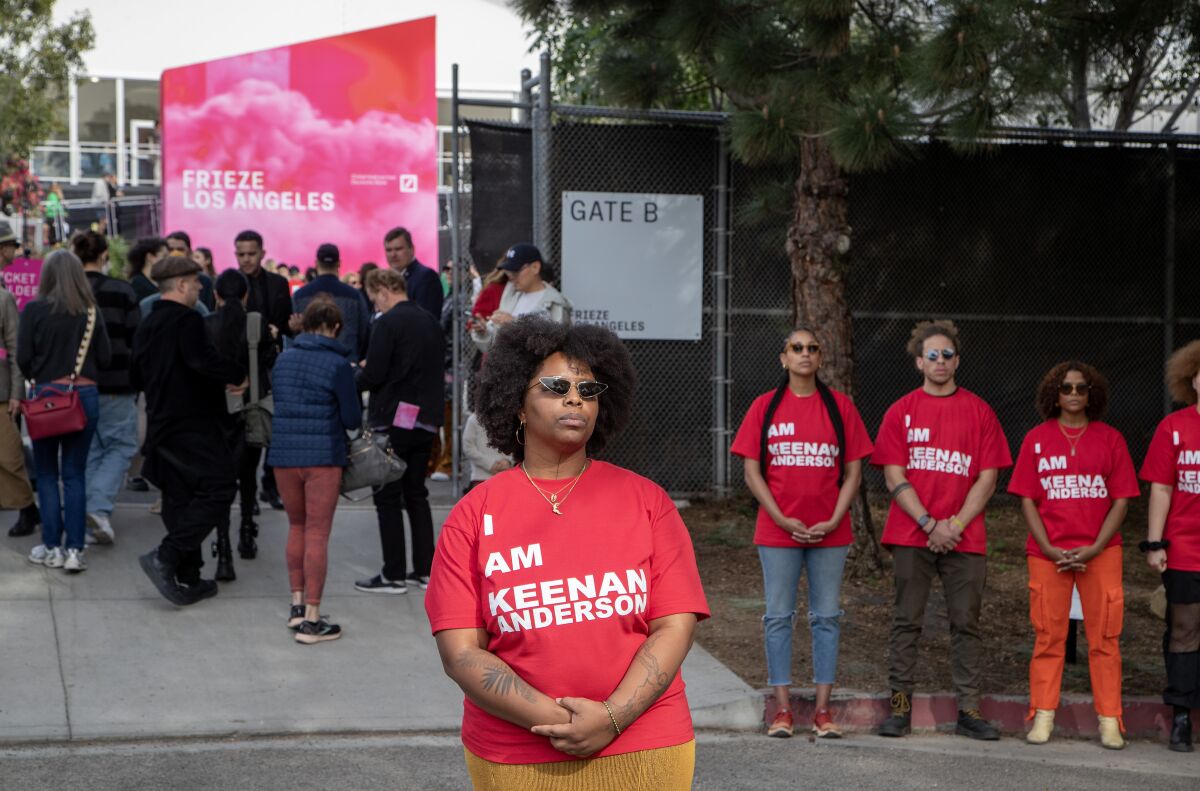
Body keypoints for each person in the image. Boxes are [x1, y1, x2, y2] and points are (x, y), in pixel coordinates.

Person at [426, 315, 708, 789]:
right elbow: (460, 654)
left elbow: (674, 625)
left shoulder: (648, 502)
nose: (574, 398)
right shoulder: (473, 516)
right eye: (555, 386)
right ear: (517, 403)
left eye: (589, 389)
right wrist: (569, 724)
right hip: (517, 756)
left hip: (647, 745)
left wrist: (613, 717)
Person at [730, 327, 873, 739]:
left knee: (826, 617)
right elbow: (752, 472)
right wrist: (780, 516)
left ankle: (823, 712)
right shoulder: (764, 407)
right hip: (777, 533)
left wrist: (833, 518)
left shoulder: (840, 407)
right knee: (778, 617)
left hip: (831, 532)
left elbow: (854, 473)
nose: (805, 354)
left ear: (821, 358)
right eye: (797, 348)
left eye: (812, 348)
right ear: (784, 358)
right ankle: (783, 711)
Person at [871, 320, 1011, 741]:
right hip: (913, 534)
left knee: (966, 623)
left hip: (964, 536)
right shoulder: (901, 411)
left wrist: (955, 525)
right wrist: (929, 524)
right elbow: (894, 475)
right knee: (906, 622)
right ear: (918, 362)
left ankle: (969, 711)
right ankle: (899, 710)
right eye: (932, 355)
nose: (940, 362)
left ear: (957, 361)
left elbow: (987, 479)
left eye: (947, 355)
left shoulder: (980, 411)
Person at [1008, 362, 1137, 750]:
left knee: (1105, 638)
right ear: (1055, 393)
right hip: (1049, 554)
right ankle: (1042, 716)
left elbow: (1122, 501)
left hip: (1100, 553)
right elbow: (1027, 499)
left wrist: (1095, 546)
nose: (1074, 394)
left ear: (1092, 393)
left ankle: (1110, 720)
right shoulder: (1036, 438)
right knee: (1049, 636)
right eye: (1066, 388)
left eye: (1082, 388)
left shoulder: (1111, 439)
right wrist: (1048, 546)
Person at [132, 255, 247, 606]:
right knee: (220, 487)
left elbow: (135, 375)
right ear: (181, 285)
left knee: (180, 496)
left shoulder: (148, 323)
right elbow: (201, 360)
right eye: (196, 282)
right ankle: (167, 556)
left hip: (161, 423)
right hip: (191, 424)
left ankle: (189, 574)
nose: (200, 287)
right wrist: (237, 373)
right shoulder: (188, 320)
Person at [268, 298, 362, 644]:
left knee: (296, 526)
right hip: (323, 455)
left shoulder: (283, 359)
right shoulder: (337, 364)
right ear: (336, 327)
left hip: (284, 454)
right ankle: (312, 617)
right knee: (318, 534)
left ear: (305, 324)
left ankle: (295, 605)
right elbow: (352, 418)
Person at [19, 250, 111, 573]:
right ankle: (74, 549)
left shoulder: (32, 310)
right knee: (74, 474)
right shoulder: (90, 312)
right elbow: (106, 357)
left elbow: (23, 356)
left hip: (46, 396)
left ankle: (51, 545)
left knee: (46, 473)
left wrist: (41, 376)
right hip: (83, 396)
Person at [355, 268, 444, 594]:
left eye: (372, 295)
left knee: (388, 498)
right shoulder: (429, 321)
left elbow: (374, 374)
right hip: (424, 420)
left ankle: (393, 573)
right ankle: (424, 570)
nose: (373, 303)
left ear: (382, 290)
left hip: (393, 419)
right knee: (416, 495)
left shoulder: (387, 323)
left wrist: (355, 376)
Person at [1140, 339, 1200, 753]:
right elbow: (1161, 488)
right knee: (1183, 628)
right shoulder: (1174, 427)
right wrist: (1155, 542)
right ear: (1192, 379)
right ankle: (1181, 715)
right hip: (1186, 546)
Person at [204, 269, 277, 578]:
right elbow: (269, 363)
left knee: (221, 482)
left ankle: (223, 551)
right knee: (248, 476)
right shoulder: (257, 323)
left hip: (216, 414)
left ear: (216, 296)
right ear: (246, 295)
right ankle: (247, 532)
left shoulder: (206, 325)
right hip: (251, 410)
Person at [76, 230, 141, 546]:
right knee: (120, 447)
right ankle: (98, 509)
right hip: (117, 384)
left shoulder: (69, 293)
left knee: (89, 452)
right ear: (104, 256)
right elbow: (136, 340)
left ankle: (88, 519)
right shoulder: (122, 290)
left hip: (77, 387)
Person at [235, 230, 294, 511]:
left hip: (272, 366)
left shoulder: (279, 284)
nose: (246, 259)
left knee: (274, 425)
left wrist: (277, 331)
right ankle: (249, 489)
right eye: (241, 254)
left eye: (251, 253)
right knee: (245, 429)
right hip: (241, 368)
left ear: (262, 253)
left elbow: (285, 322)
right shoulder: (231, 284)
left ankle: (269, 487)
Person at [0, 221, 38, 538]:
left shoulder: (3, 297)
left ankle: (28, 510)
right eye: (12, 245)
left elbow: (14, 350)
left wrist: (15, 392)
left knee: (10, 457)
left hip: (1, 394)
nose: (16, 251)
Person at [470, 243, 570, 355]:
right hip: (508, 368)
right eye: (508, 271)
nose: (510, 275)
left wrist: (515, 324)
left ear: (535, 267)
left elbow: (556, 345)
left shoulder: (554, 303)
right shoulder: (511, 295)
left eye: (516, 270)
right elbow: (495, 344)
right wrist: (484, 332)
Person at [290, 243, 371, 362]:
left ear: (316, 263)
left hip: (310, 362)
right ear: (339, 263)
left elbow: (293, 334)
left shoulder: (299, 296)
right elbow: (365, 332)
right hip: (346, 363)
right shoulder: (355, 295)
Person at [384, 227, 442, 319]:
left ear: (411, 249)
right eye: (389, 250)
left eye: (398, 249)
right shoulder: (385, 280)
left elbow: (425, 321)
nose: (393, 255)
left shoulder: (426, 277)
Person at [461, 411, 511, 493]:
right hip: (480, 477)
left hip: (505, 476)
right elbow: (468, 447)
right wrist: (490, 464)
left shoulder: (508, 418)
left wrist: (508, 461)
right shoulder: (474, 419)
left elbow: (513, 443)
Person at [166, 231, 215, 310]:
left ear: (189, 253)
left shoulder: (204, 281)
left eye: (180, 249)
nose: (175, 253)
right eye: (170, 249)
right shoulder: (159, 280)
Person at [126, 237, 168, 301]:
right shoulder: (137, 285)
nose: (168, 260)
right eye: (164, 256)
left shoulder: (161, 281)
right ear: (150, 257)